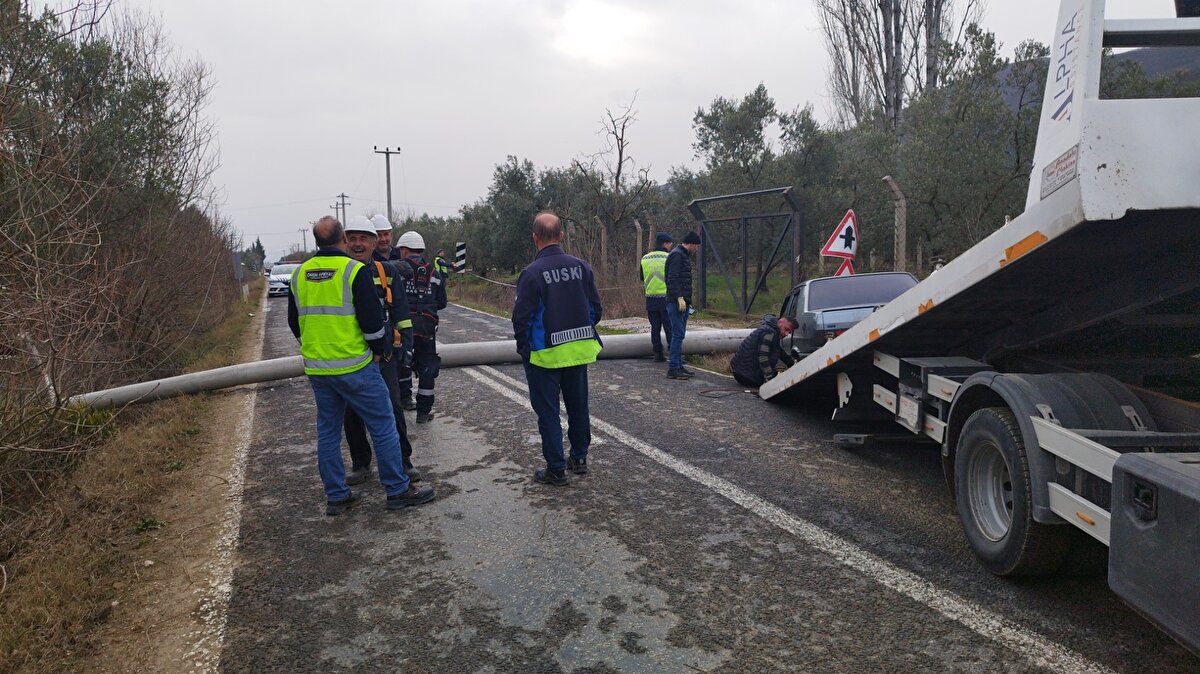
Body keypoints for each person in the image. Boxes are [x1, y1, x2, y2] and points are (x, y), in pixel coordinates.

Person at [287, 216, 434, 515]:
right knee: (383, 424)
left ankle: (337, 496)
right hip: (355, 365)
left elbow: (295, 323)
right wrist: (379, 351)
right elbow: (371, 324)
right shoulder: (353, 271)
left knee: (327, 431)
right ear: (342, 240)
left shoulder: (299, 274)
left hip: (318, 369)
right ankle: (397, 488)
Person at [512, 212, 603, 486]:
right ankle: (580, 458)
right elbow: (596, 309)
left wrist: (524, 349)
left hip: (544, 356)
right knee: (578, 407)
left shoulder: (531, 273)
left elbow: (521, 318)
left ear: (535, 237)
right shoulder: (582, 267)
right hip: (578, 352)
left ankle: (556, 469)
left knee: (549, 413)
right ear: (561, 236)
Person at [339, 217, 420, 485]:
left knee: (394, 409)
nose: (358, 243)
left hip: (384, 356)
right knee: (352, 413)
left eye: (364, 238)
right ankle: (361, 464)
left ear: (374, 243)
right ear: (344, 242)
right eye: (352, 238)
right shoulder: (341, 273)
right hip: (351, 355)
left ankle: (403, 461)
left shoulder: (386, 272)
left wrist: (406, 350)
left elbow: (402, 314)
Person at [395, 230, 448, 423]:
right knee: (428, 366)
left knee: (402, 362)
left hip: (403, 326)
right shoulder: (433, 273)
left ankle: (404, 400)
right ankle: (423, 412)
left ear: (404, 250)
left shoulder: (398, 269)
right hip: (427, 327)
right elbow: (442, 301)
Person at [664, 231, 701, 380]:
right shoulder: (677, 255)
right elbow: (672, 278)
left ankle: (678, 365)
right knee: (677, 335)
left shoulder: (682, 255)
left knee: (679, 334)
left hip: (683, 302)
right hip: (676, 302)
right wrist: (679, 297)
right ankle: (673, 367)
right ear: (691, 244)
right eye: (696, 246)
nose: (697, 249)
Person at [729, 315, 799, 388]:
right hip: (747, 376)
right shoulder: (769, 333)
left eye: (789, 332)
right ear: (780, 322)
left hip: (740, 372)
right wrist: (769, 378)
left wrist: (791, 363)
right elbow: (763, 357)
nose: (786, 334)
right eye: (786, 329)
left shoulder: (770, 329)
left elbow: (778, 350)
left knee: (776, 375)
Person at [639, 233, 673, 363]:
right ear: (665, 243)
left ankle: (658, 353)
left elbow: (642, 277)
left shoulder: (645, 258)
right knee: (670, 327)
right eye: (670, 244)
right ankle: (674, 354)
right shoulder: (669, 257)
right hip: (666, 298)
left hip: (651, 298)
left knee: (655, 328)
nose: (671, 247)